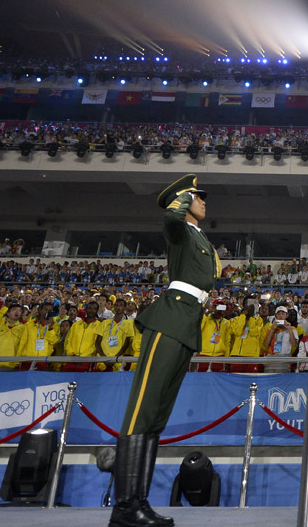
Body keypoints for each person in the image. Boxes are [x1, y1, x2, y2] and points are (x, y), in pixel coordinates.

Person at [109, 175, 221, 527]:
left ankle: (137, 503)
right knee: (143, 409)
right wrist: (181, 201)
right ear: (184, 201)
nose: (203, 201)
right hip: (170, 319)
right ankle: (125, 506)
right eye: (196, 196)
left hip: (187, 323)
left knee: (156, 417)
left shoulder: (200, 237)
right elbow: (171, 220)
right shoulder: (181, 230)